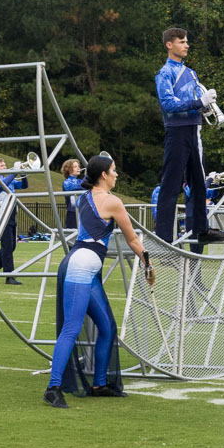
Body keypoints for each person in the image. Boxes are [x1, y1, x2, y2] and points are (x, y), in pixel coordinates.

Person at [43, 154, 154, 408]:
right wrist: (148, 264)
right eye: (114, 171)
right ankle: (53, 388)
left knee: (107, 327)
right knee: (71, 328)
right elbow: (133, 240)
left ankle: (99, 384)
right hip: (82, 265)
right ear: (103, 175)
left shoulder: (84, 197)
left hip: (84, 265)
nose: (116, 175)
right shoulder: (112, 202)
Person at [153, 27, 224, 247]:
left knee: (199, 183)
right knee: (171, 183)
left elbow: (196, 102)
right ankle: (164, 236)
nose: (186, 45)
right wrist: (200, 103)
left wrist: (207, 109)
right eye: (182, 42)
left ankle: (201, 229)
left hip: (193, 130)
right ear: (170, 45)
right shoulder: (165, 73)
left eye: (186, 42)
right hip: (177, 131)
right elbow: (168, 104)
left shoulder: (191, 72)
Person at [0, 158, 28, 285]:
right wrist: (15, 172)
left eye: (5, 164)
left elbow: (24, 185)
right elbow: (3, 183)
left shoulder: (10, 179)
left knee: (12, 245)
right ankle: (9, 276)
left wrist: (22, 173)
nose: (5, 166)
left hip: (11, 214)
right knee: (7, 246)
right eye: (1, 165)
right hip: (1, 215)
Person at [61, 159, 85, 230]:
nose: (78, 168)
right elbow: (78, 187)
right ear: (68, 169)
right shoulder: (66, 182)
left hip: (83, 212)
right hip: (72, 214)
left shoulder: (79, 181)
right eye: (75, 166)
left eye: (78, 166)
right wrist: (87, 176)